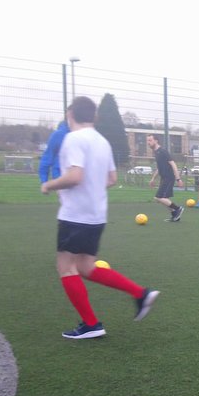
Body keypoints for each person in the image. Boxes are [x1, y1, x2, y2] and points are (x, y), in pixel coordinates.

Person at [40, 96, 160, 339]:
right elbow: (112, 179)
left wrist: (49, 185)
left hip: (75, 215)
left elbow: (74, 177)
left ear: (70, 114)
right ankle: (140, 293)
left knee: (65, 266)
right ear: (93, 116)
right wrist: (91, 189)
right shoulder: (102, 141)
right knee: (85, 266)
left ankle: (91, 324)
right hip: (96, 215)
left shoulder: (73, 139)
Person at [147, 135, 184, 222]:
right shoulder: (156, 152)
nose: (148, 142)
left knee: (159, 197)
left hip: (169, 177)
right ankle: (175, 215)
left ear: (156, 141)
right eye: (148, 141)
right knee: (159, 198)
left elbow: (173, 164)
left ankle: (177, 209)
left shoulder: (163, 151)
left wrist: (178, 179)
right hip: (163, 178)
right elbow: (159, 168)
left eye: (150, 140)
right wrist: (153, 179)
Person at [37, 120, 69, 184]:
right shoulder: (87, 134)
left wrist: (44, 181)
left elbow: (47, 158)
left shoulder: (58, 135)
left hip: (59, 175)